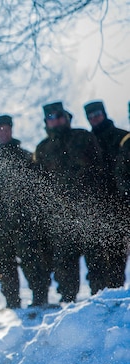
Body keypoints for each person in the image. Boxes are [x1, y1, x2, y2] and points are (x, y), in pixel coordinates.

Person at [34, 101, 103, 303]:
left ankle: (100, 302)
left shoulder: (83, 138)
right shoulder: (43, 148)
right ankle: (68, 308)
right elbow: (39, 186)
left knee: (97, 262)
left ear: (66, 117)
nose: (56, 121)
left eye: (59, 116)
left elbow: (100, 171)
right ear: (46, 122)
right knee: (64, 266)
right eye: (51, 118)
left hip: (88, 211)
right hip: (60, 217)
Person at [0, 115, 52, 308]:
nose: (3, 132)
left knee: (33, 262)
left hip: (27, 224)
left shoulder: (27, 157)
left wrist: (37, 220)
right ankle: (12, 302)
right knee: (4, 265)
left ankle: (40, 298)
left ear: (11, 130)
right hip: (1, 226)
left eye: (6, 128)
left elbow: (39, 192)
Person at [83, 101, 128, 294]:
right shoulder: (84, 142)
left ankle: (116, 297)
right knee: (95, 260)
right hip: (94, 209)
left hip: (118, 206)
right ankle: (97, 300)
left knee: (116, 258)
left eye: (97, 113)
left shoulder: (122, 138)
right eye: (91, 115)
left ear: (104, 113)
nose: (95, 118)